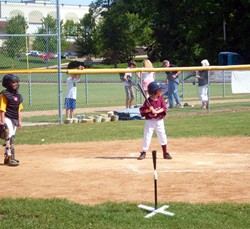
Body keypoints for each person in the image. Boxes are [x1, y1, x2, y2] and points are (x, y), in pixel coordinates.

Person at [138, 81, 172, 160]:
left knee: (162, 135)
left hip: (159, 121)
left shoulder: (161, 99)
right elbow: (142, 111)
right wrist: (149, 110)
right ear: (154, 91)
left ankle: (165, 152)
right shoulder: (148, 101)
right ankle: (143, 152)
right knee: (147, 136)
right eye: (159, 90)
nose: (161, 91)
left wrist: (156, 111)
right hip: (150, 121)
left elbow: (164, 108)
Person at [0, 74, 23, 166]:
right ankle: (10, 157)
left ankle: (7, 157)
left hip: (14, 118)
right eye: (13, 82)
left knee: (11, 138)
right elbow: (2, 109)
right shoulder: (4, 94)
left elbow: (18, 109)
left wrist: (19, 120)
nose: (16, 84)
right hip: (6, 117)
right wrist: (2, 122)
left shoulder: (17, 96)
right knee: (8, 136)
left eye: (16, 82)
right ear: (7, 83)